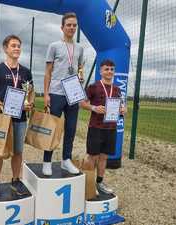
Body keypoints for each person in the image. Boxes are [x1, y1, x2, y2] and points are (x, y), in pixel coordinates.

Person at [0, 35, 34, 199]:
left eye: (19, 46)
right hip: (1, 118)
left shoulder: (25, 71)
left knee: (18, 152)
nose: (17, 48)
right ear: (5, 49)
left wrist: (30, 103)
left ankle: (15, 180)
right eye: (13, 46)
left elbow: (31, 91)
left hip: (20, 118)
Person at [42, 12, 84, 176]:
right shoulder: (54, 46)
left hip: (72, 94)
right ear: (62, 27)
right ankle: (47, 161)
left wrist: (80, 85)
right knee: (52, 128)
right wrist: (46, 94)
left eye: (74, 25)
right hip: (57, 92)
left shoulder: (80, 48)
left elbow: (80, 70)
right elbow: (47, 72)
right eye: (69, 25)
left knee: (71, 128)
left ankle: (66, 160)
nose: (72, 28)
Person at [80, 59, 126, 194]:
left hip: (111, 128)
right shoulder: (93, 87)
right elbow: (82, 103)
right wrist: (93, 107)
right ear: (101, 71)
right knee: (92, 157)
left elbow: (123, 105)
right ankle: (88, 183)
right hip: (96, 128)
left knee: (104, 157)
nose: (109, 71)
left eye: (112, 69)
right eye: (106, 69)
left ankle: (99, 183)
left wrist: (124, 110)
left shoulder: (117, 89)